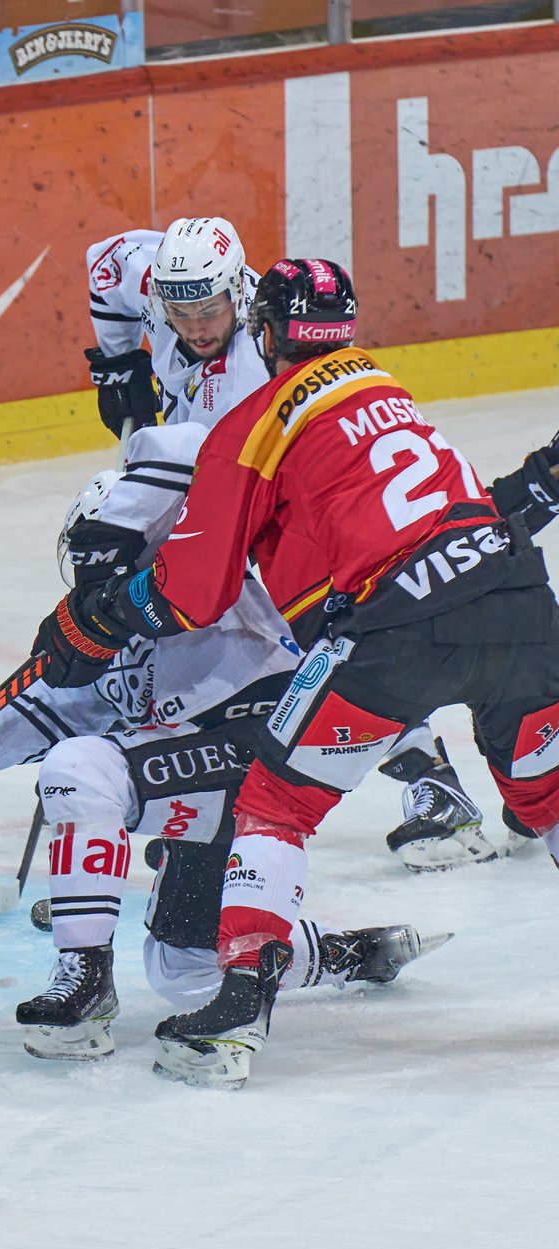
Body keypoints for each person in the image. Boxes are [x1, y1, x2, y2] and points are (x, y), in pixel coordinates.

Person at [35, 257, 559, 1086]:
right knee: (549, 795)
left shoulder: (254, 423)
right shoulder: (384, 388)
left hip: (393, 632)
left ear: (266, 330)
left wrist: (96, 616)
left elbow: (192, 592)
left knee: (274, 803)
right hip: (522, 601)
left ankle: (239, 1008)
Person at [0, 468, 441, 1061]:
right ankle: (348, 953)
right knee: (184, 971)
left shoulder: (210, 580)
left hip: (262, 764)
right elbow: (62, 704)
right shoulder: (112, 619)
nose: (86, 562)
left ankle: (85, 978)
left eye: (98, 543)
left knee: (80, 770)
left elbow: (192, 492)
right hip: (204, 781)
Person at [85, 217, 491, 869]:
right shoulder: (156, 273)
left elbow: (234, 487)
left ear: (238, 295)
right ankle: (203, 803)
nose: (195, 326)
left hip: (277, 502)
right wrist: (116, 363)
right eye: (179, 312)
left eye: (209, 310)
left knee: (321, 639)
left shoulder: (254, 373)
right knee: (208, 638)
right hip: (217, 485)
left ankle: (433, 777)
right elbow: (105, 260)